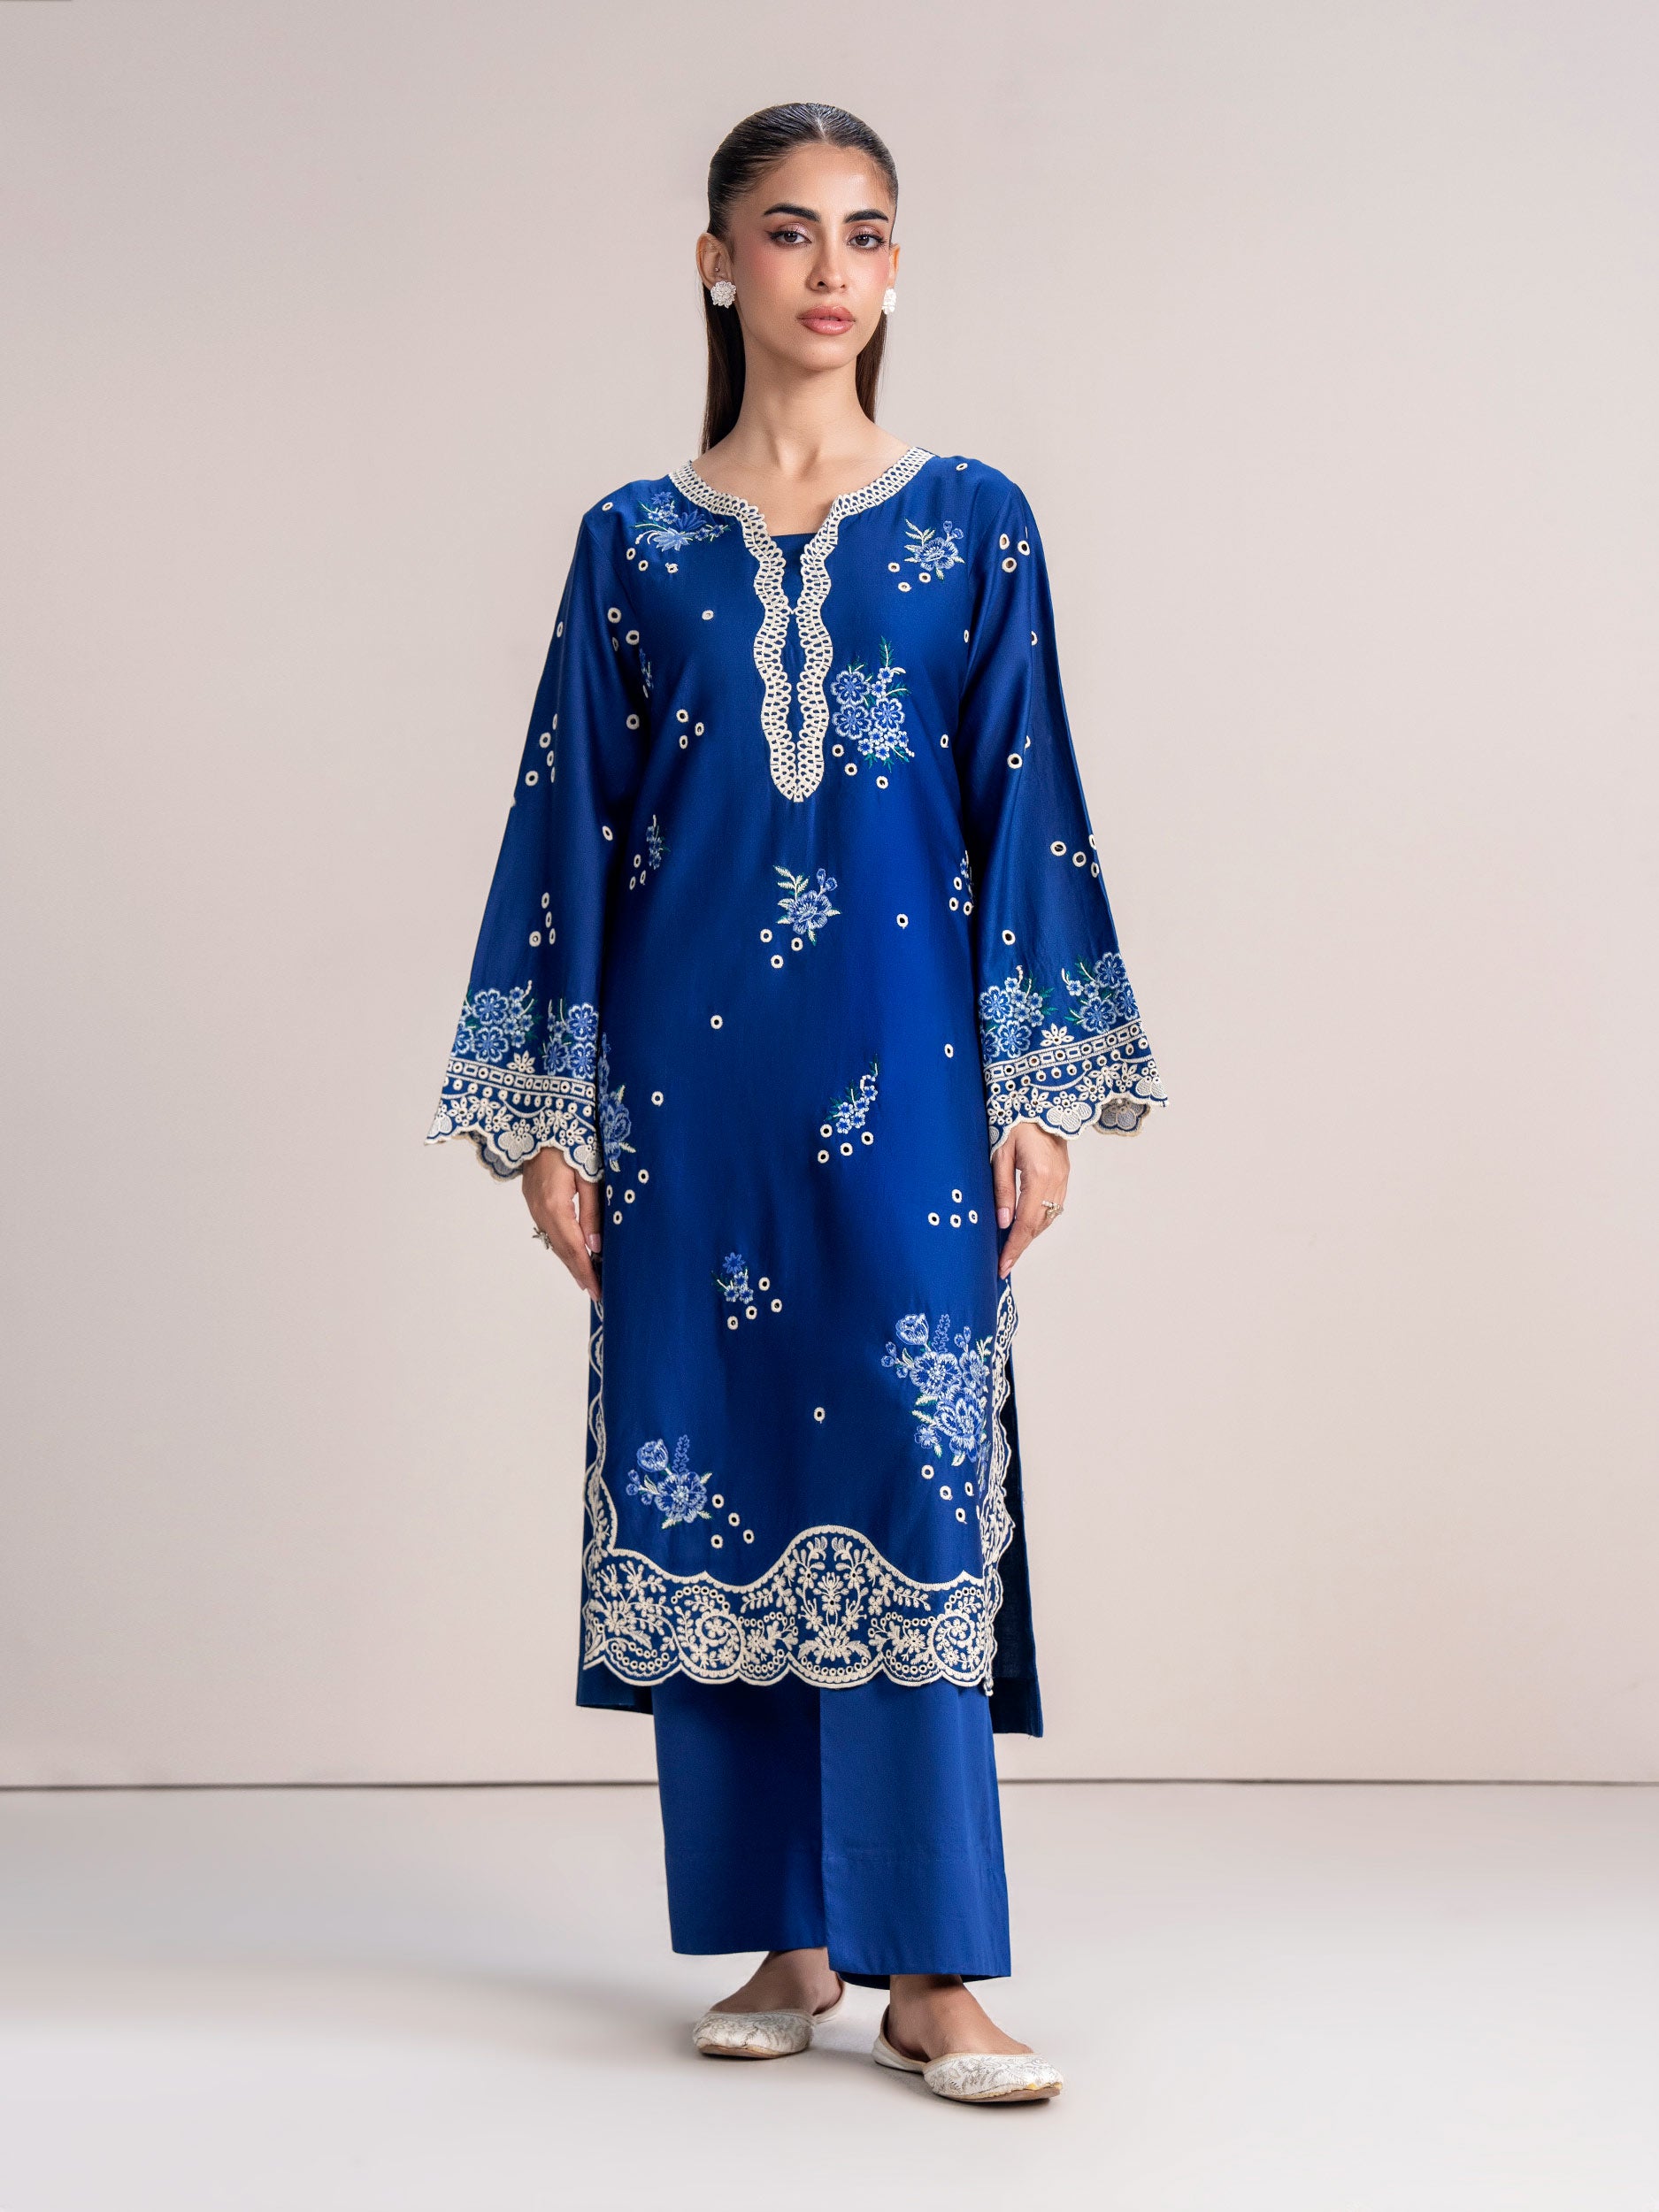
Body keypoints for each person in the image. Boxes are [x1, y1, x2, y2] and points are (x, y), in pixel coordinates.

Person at [429, 101, 1164, 2105]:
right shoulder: (634, 541)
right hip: (689, 1091)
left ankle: (935, 1973)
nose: (831, 270)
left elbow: (1025, 801)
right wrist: (553, 1110)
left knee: (915, 1475)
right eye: (787, 230)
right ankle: (790, 1934)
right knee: (713, 1463)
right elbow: (566, 829)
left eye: (864, 232)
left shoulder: (969, 521)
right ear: (716, 262)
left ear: (896, 268)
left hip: (911, 1069)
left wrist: (1037, 1080)